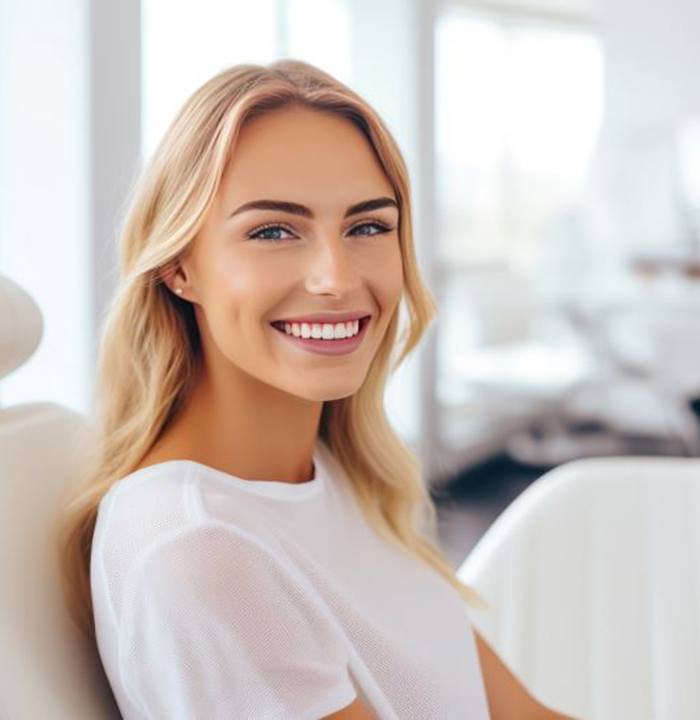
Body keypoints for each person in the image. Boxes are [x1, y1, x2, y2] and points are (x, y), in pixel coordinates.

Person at [59, 59, 575, 719]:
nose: (335, 277)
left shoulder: (334, 476)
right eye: (273, 231)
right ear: (179, 266)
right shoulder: (200, 549)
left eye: (367, 226)